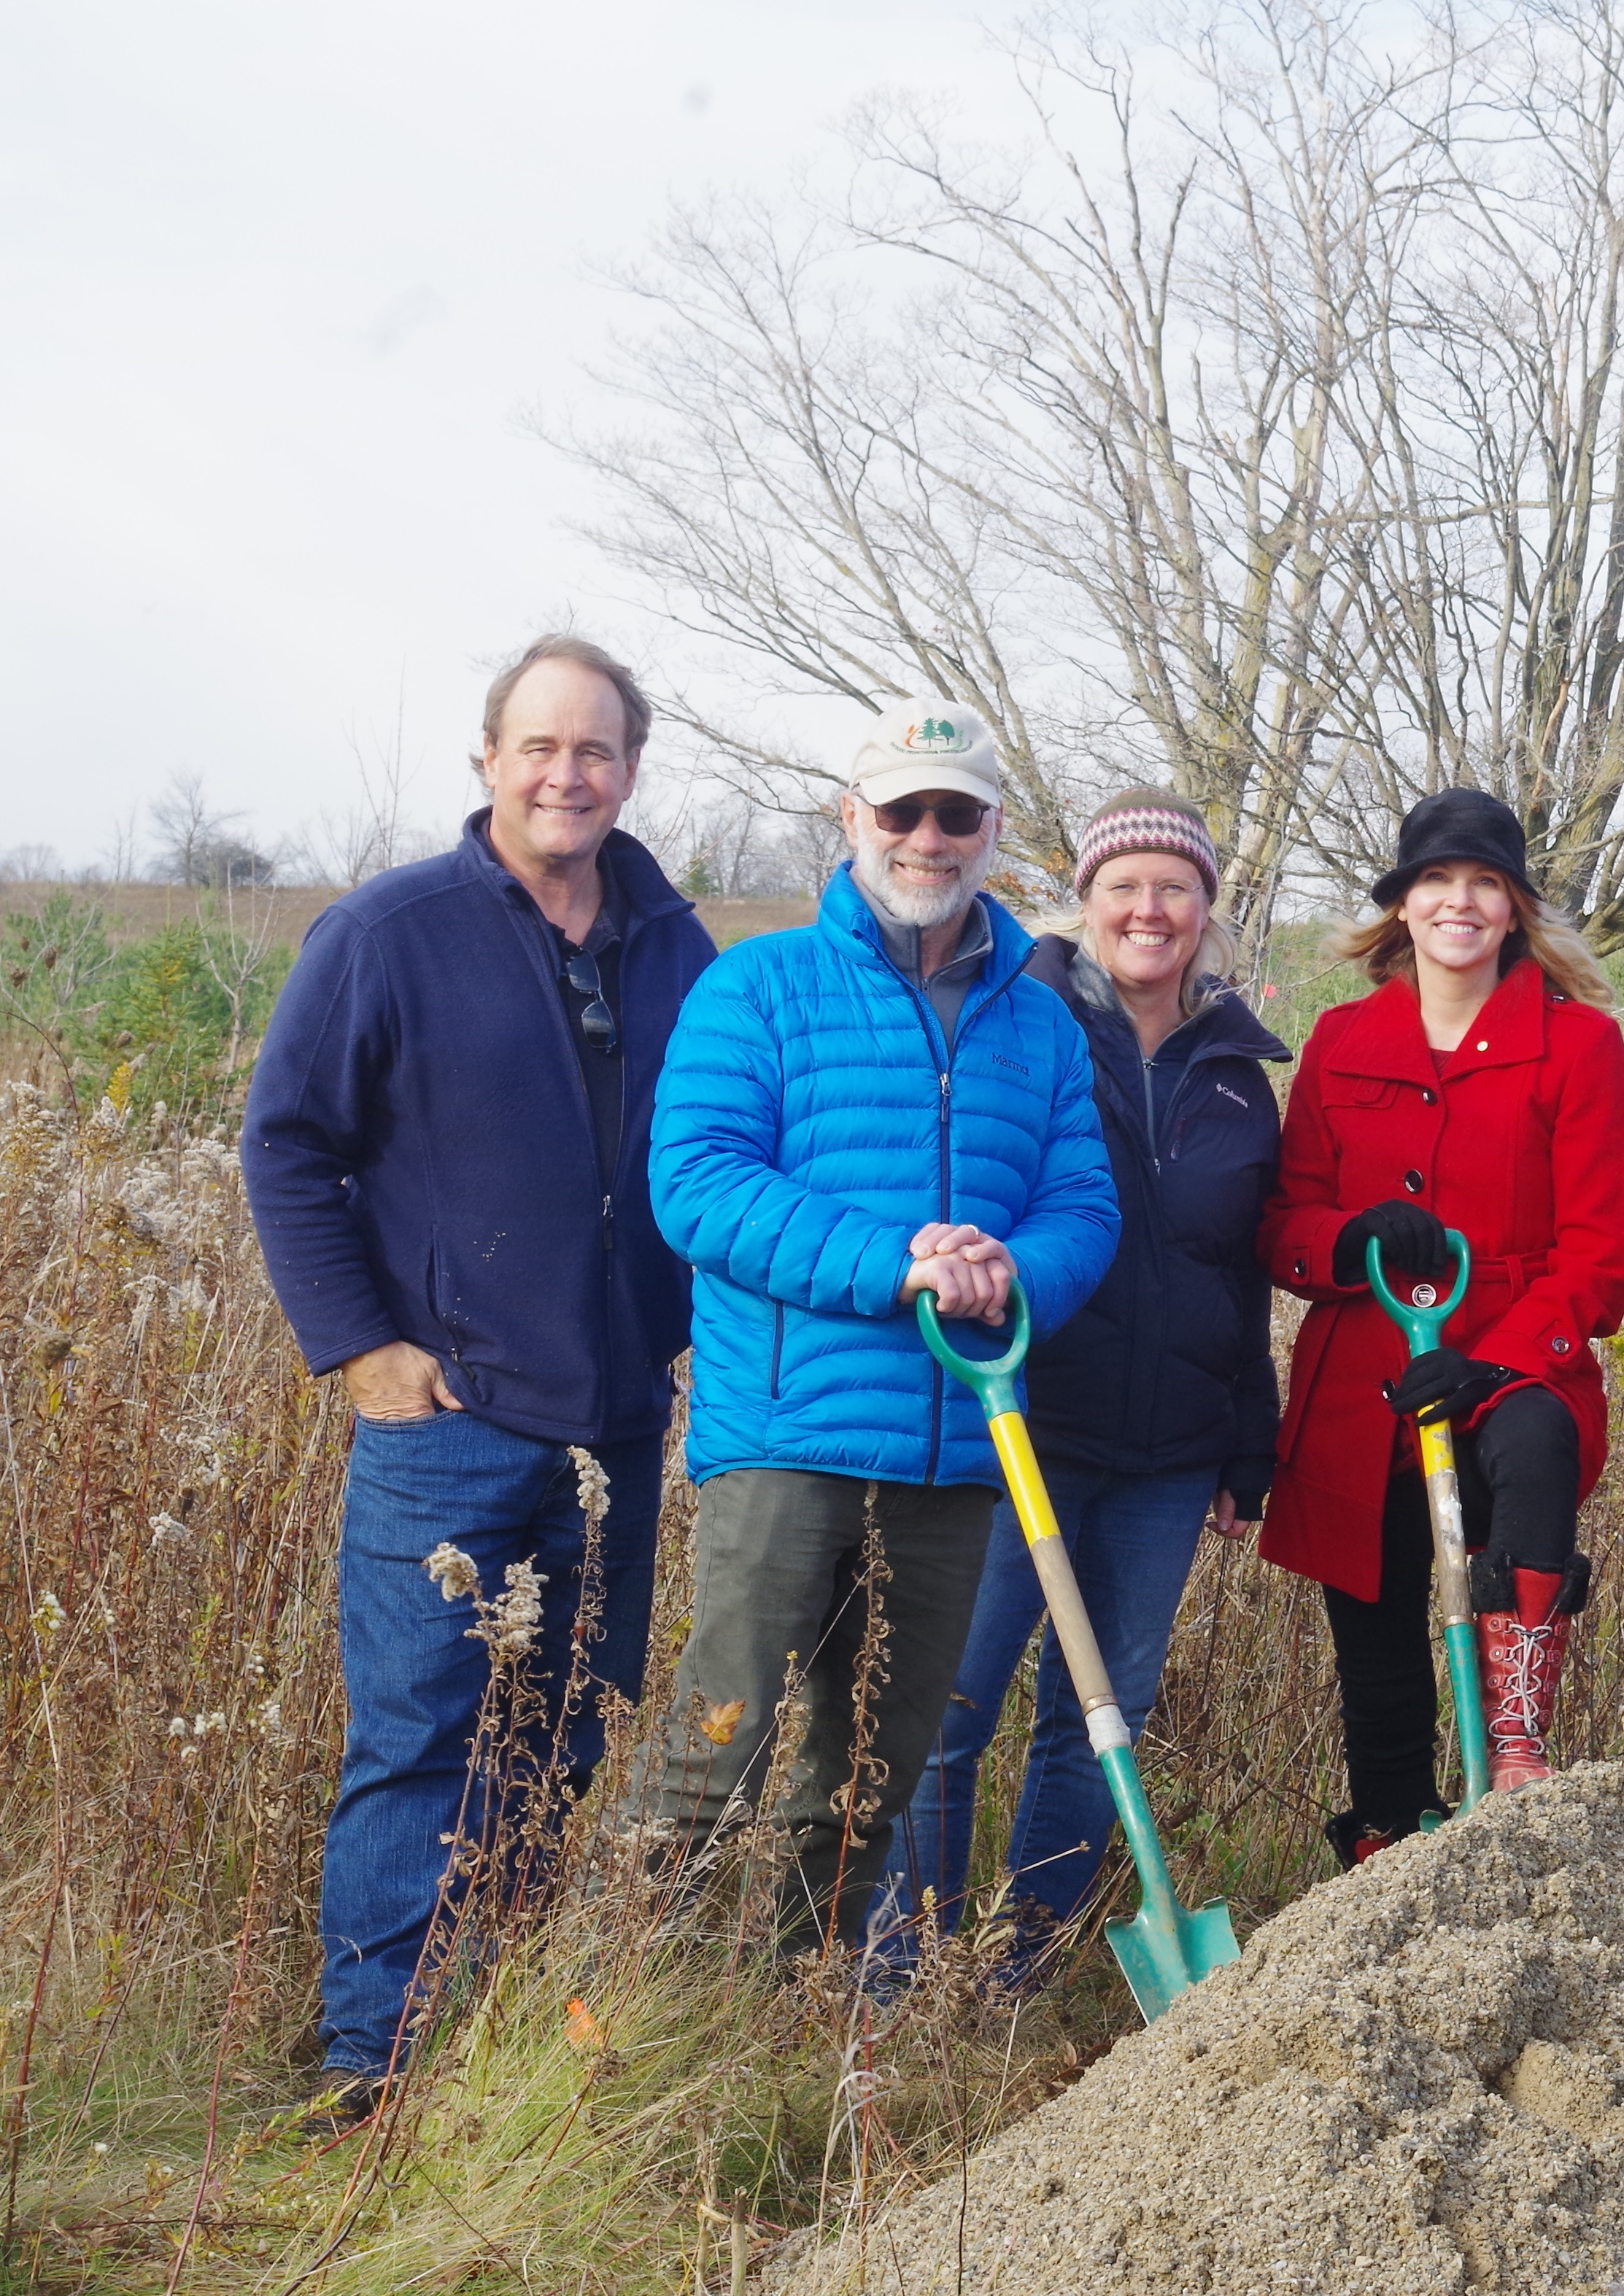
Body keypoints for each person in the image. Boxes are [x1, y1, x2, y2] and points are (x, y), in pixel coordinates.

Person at [241, 635, 714, 2128]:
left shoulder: (677, 945)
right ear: (488, 762)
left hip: (619, 1418)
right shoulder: (390, 932)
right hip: (450, 1426)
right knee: (419, 1737)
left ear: (630, 772)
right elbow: (288, 1145)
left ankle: (491, 2018)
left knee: (564, 1732)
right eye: (538, 747)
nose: (566, 775)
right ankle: (370, 2066)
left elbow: (718, 1151)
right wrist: (361, 1345)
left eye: (595, 752)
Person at [638, 713, 1120, 1963]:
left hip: (958, 1452)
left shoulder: (1042, 1023)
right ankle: (623, 2005)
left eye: (955, 814)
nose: (926, 837)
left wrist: (1015, 1273)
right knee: (721, 1741)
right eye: (900, 810)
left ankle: (787, 2003)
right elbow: (695, 1182)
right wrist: (895, 1264)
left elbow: (1084, 1207)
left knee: (869, 1774)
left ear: (993, 835)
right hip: (787, 1435)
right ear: (851, 819)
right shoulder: (758, 986)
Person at [869, 788, 1288, 1986]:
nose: (1150, 910)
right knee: (952, 1708)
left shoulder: (1235, 1073)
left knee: (1099, 1718)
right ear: (1086, 903)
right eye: (1126, 887)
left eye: (1176, 888)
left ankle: (1027, 1968)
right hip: (1021, 1423)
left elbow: (1239, 1273)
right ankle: (909, 1969)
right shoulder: (1020, 1029)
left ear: (1207, 911)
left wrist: (1241, 1445)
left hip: (1167, 1452)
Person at [1259, 788, 1624, 1859]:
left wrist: (1494, 1364)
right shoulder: (1339, 1044)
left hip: (1517, 1364)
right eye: (1436, 880)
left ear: (1516, 910)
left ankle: (1514, 1744)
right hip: (1361, 1379)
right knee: (1375, 1635)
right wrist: (1352, 1239)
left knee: (1533, 1449)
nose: (1460, 902)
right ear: (1402, 905)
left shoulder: (1577, 1047)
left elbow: (1602, 1255)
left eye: (1486, 883)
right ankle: (1389, 1831)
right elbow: (1285, 1226)